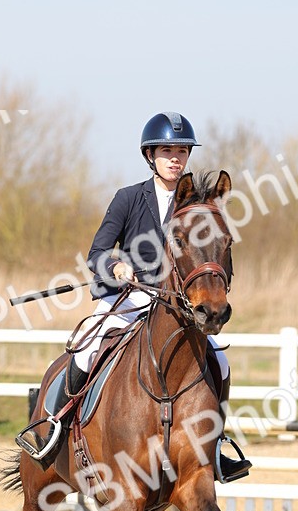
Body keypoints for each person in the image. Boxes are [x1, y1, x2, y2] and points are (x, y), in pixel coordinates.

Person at [18, 112, 250, 481]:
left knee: (219, 362)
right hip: (127, 299)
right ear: (150, 156)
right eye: (167, 150)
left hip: (177, 307)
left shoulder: (194, 206)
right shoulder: (128, 198)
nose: (175, 158)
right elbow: (97, 252)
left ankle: (215, 445)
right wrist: (116, 268)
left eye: (182, 151)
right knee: (83, 350)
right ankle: (54, 430)